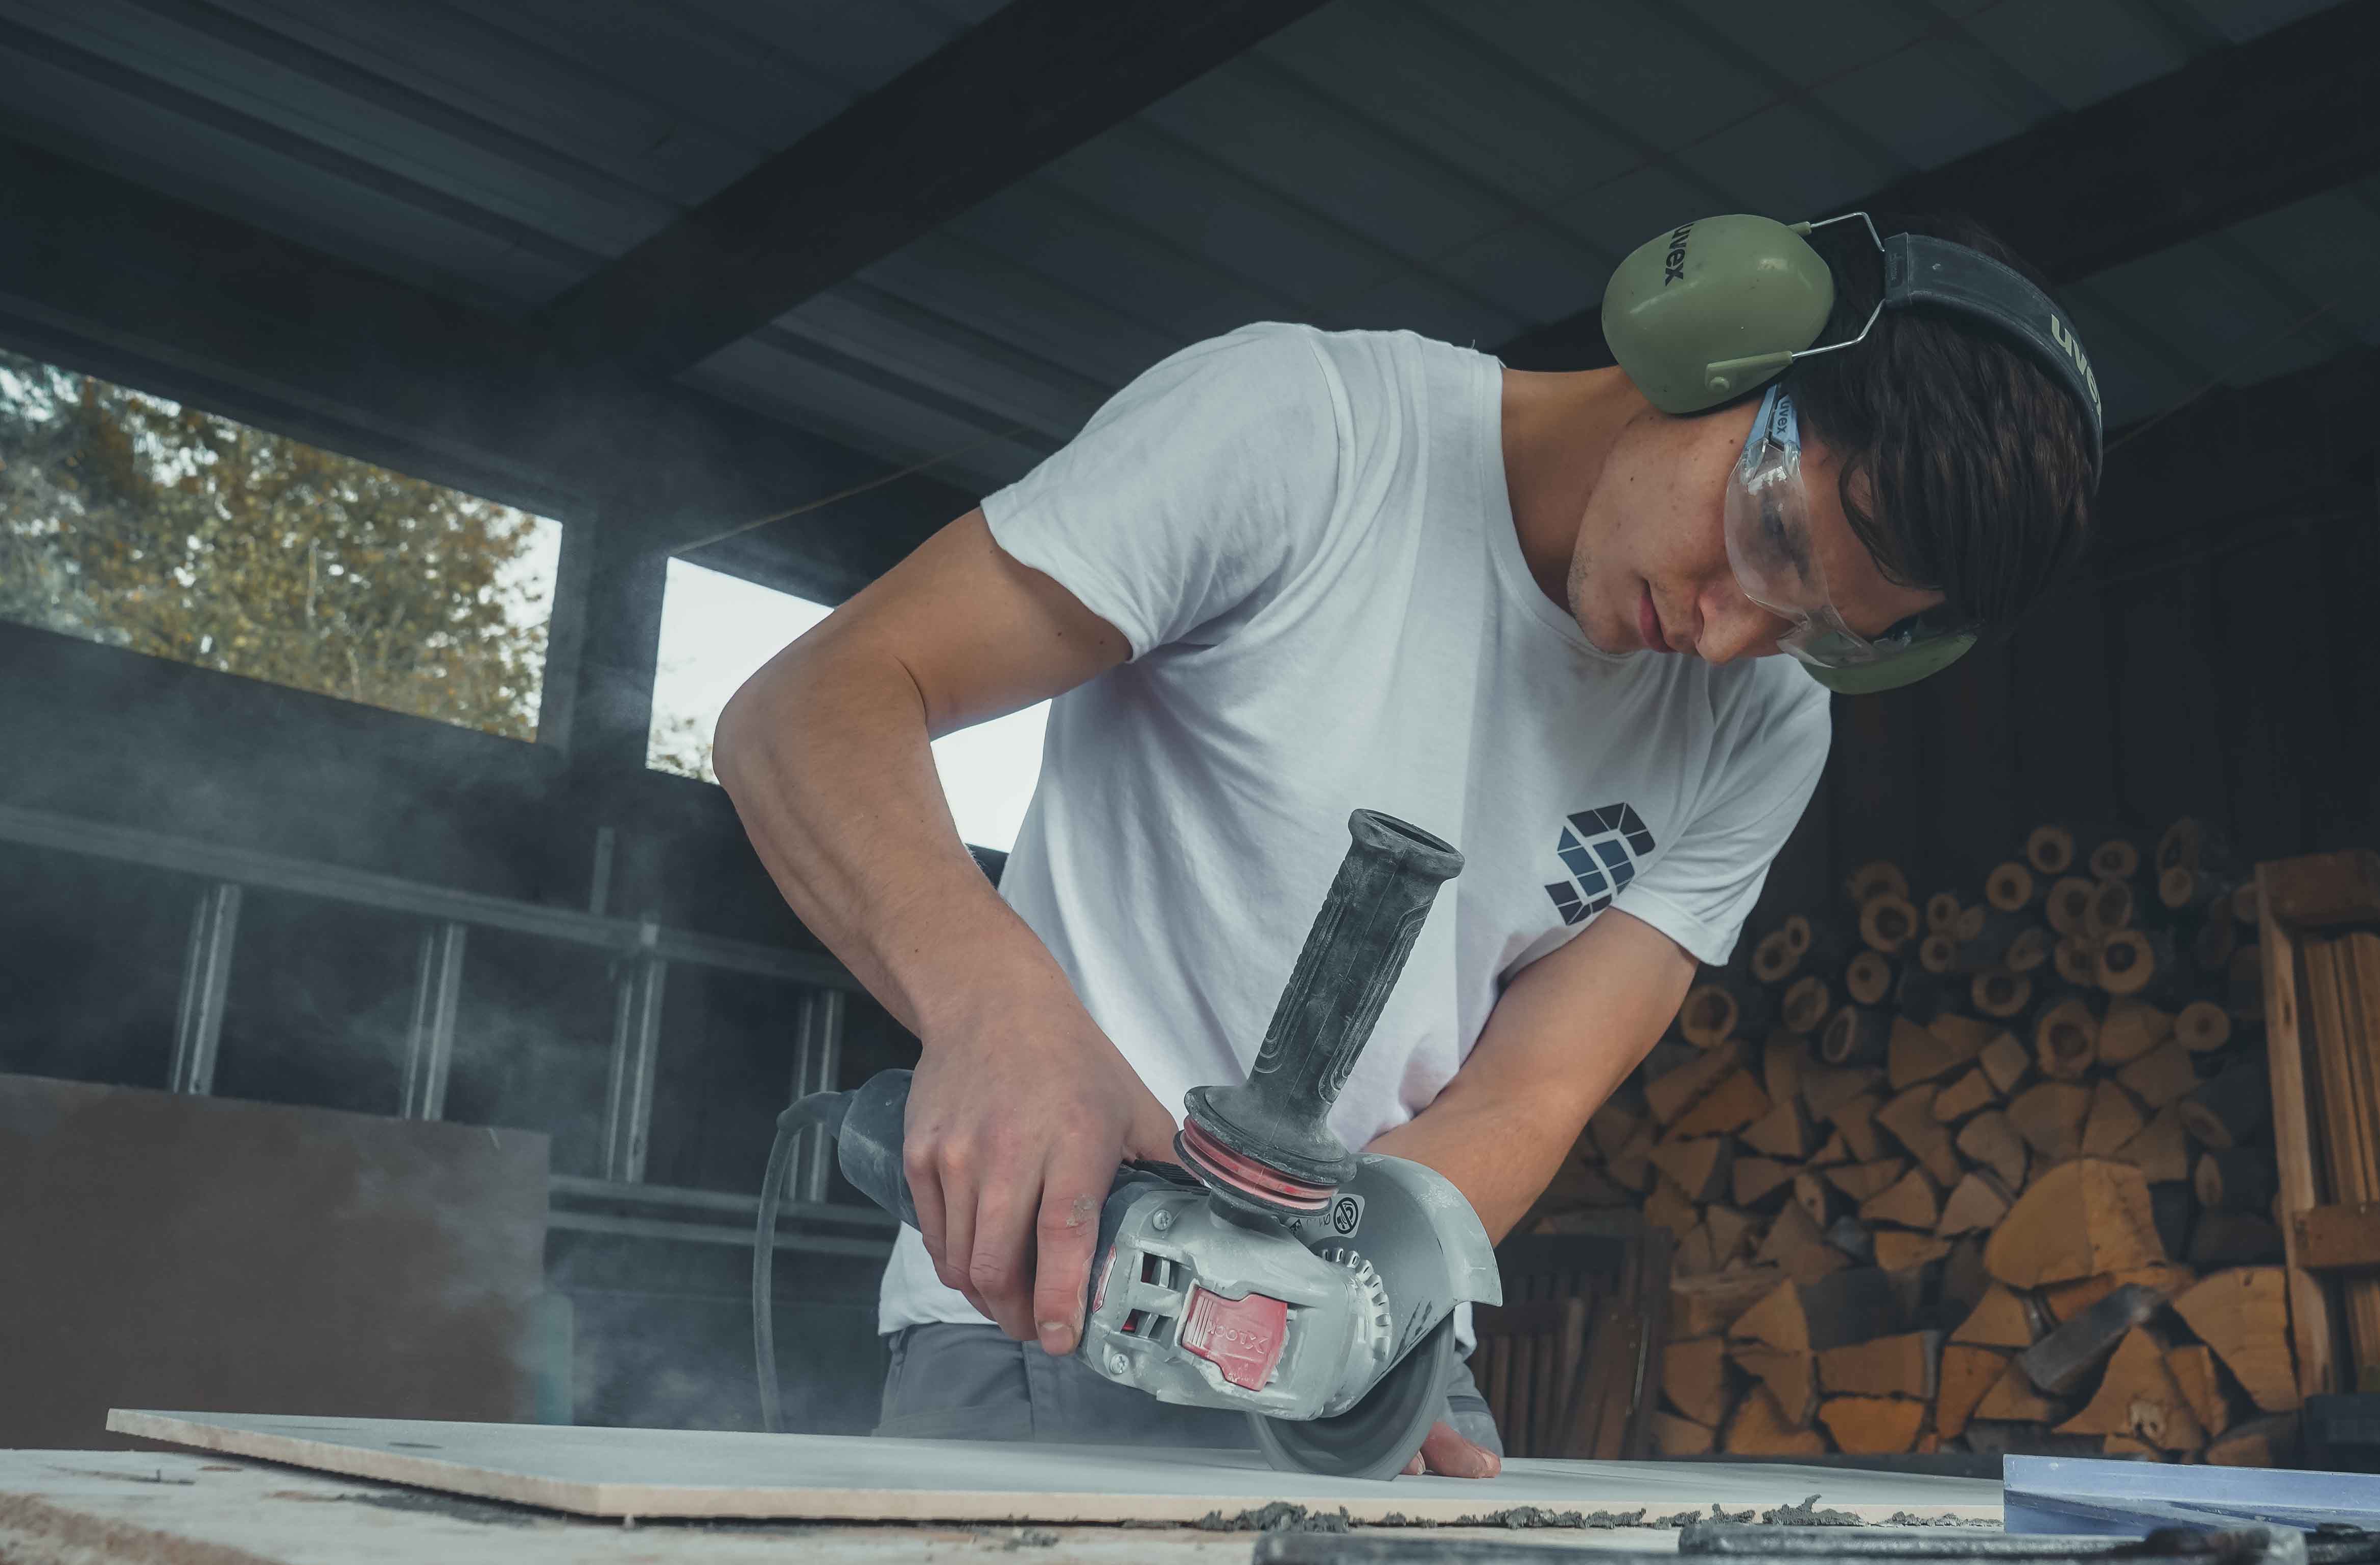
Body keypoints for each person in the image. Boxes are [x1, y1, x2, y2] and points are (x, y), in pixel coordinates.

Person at [714, 211, 2098, 1476]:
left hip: (1372, 1358)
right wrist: (992, 1003)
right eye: (1768, 538)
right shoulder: (1308, 435)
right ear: (1715, 347)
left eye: (1808, 623)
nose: (1733, 629)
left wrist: (1358, 1313)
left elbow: (1531, 1094)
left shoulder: (1764, 727)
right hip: (1050, 1301)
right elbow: (813, 706)